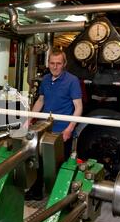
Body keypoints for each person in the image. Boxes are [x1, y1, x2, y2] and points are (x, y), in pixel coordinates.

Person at [25, 49, 83, 200]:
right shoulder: (45, 79)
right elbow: (40, 101)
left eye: (58, 63)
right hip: (45, 127)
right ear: (48, 63)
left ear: (64, 64)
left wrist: (69, 129)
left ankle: (59, 197)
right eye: (52, 63)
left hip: (62, 131)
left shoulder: (72, 81)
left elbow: (78, 107)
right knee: (39, 160)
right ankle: (37, 191)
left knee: (59, 165)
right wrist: (29, 119)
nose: (55, 66)